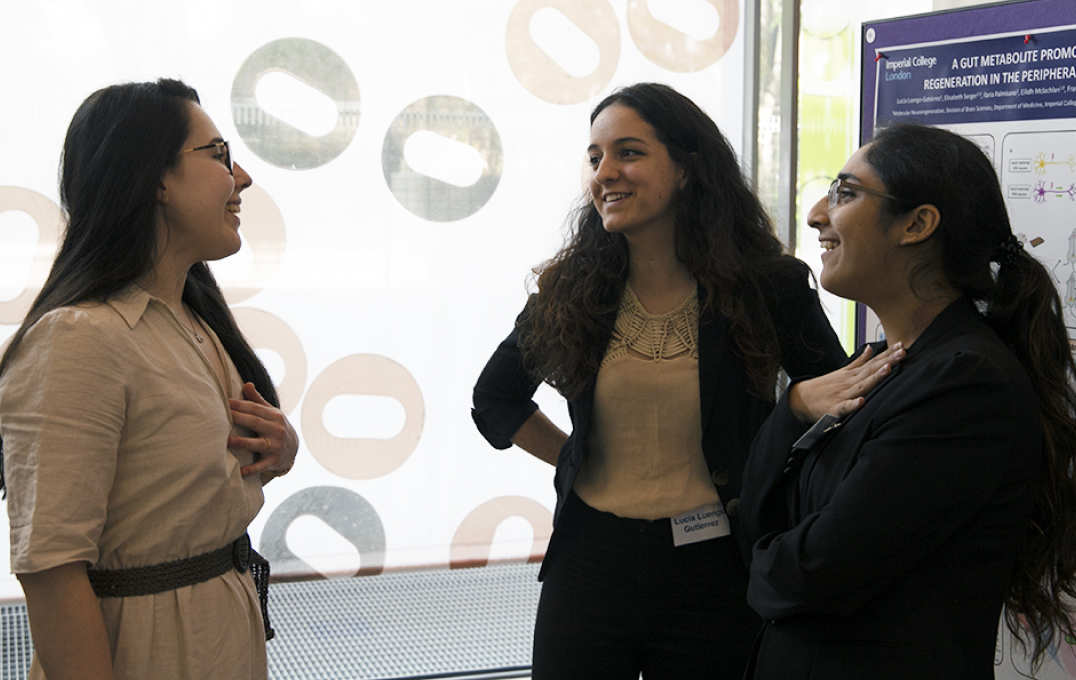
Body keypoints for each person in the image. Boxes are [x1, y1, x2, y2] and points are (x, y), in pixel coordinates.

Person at [471, 82, 846, 679]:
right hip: (589, 567)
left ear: (688, 167)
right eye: (595, 158)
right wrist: (576, 458)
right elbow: (494, 400)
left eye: (628, 152)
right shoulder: (572, 290)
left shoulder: (767, 287)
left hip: (717, 568)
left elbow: (837, 411)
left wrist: (792, 415)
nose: (605, 173)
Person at [740, 123, 1076, 679]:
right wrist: (793, 407)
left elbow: (815, 573)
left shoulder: (967, 385)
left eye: (846, 193)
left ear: (918, 224)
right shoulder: (880, 365)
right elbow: (761, 526)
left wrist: (769, 564)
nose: (817, 213)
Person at [0, 79, 299, 680]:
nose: (242, 179)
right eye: (218, 156)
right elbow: (52, 570)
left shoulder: (192, 321)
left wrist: (280, 450)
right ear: (155, 179)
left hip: (223, 639)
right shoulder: (78, 339)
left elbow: (175, 488)